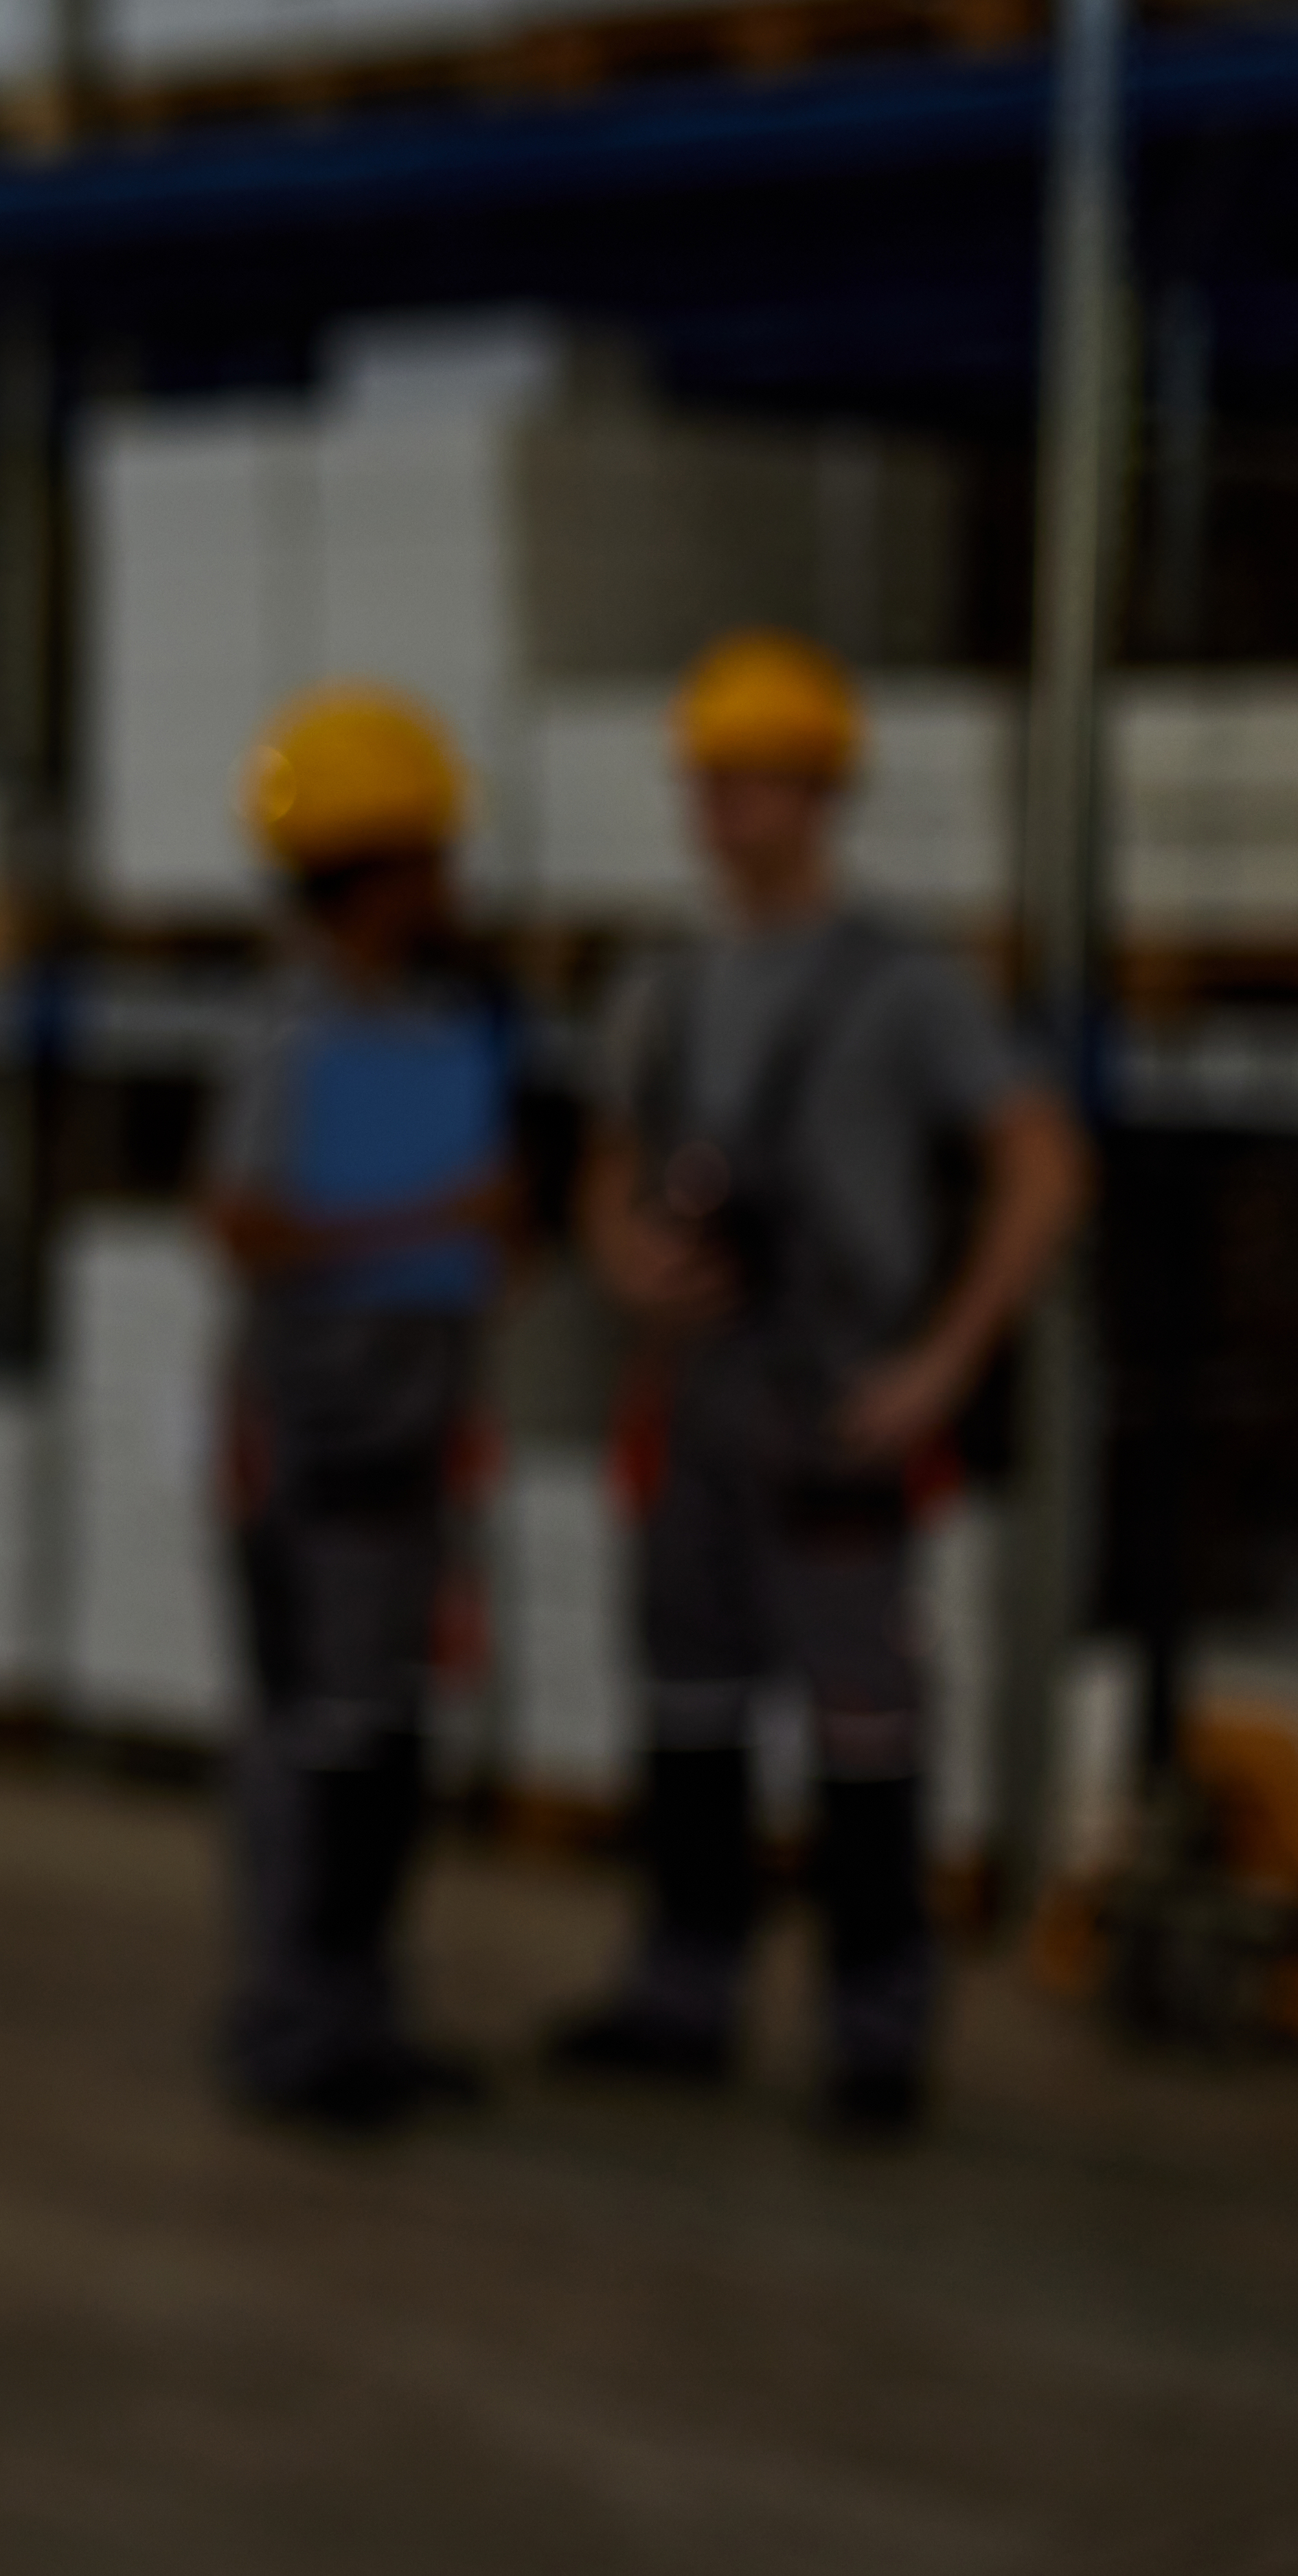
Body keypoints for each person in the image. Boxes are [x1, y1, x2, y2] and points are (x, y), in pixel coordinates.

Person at [556, 632, 1084, 2134]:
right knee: (689, 1709)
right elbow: (606, 1159)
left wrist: (944, 1359)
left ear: (824, 793)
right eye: (712, 781)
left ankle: (873, 2026)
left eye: (760, 781)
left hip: (841, 1403)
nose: (729, 809)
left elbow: (1041, 1165)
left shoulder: (901, 981)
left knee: (865, 1728)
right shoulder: (659, 981)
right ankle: (682, 1988)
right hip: (697, 1395)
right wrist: (623, 1254)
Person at [199, 686, 515, 2131]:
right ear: (378, 868)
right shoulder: (289, 1033)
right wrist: (435, 1215)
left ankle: (361, 2007)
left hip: (407, 1428)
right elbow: (248, 1226)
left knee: (381, 1738)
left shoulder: (438, 1027)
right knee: (314, 1739)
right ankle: (294, 2016)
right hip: (313, 1437)